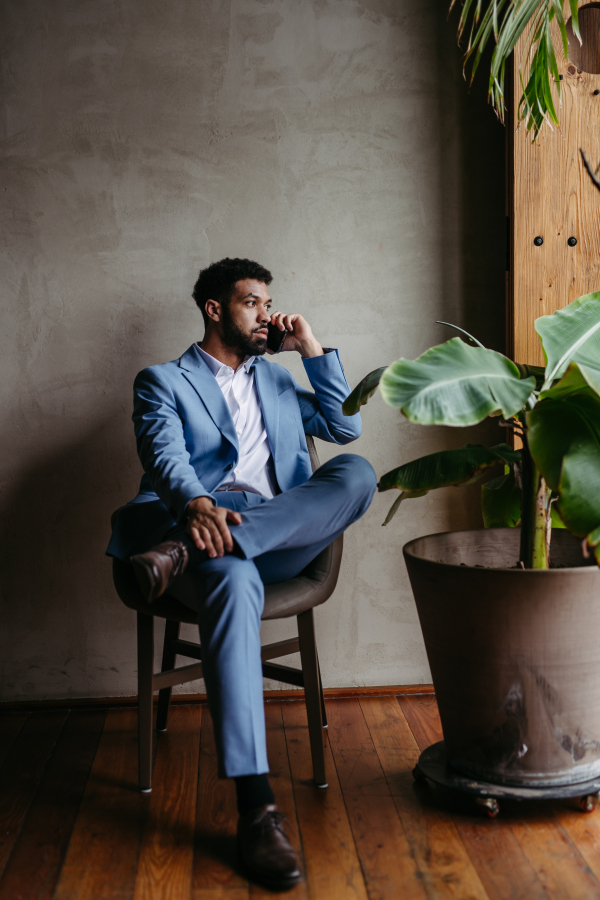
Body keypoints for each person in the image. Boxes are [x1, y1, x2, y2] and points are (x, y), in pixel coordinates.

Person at [107, 257, 376, 890]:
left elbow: (345, 426)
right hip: (201, 523)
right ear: (214, 309)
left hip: (266, 532)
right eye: (253, 303)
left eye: (267, 304)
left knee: (358, 473)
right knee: (230, 577)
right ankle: (257, 810)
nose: (266, 314)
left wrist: (309, 348)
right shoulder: (163, 381)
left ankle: (184, 552)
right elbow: (164, 453)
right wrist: (198, 506)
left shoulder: (279, 382)